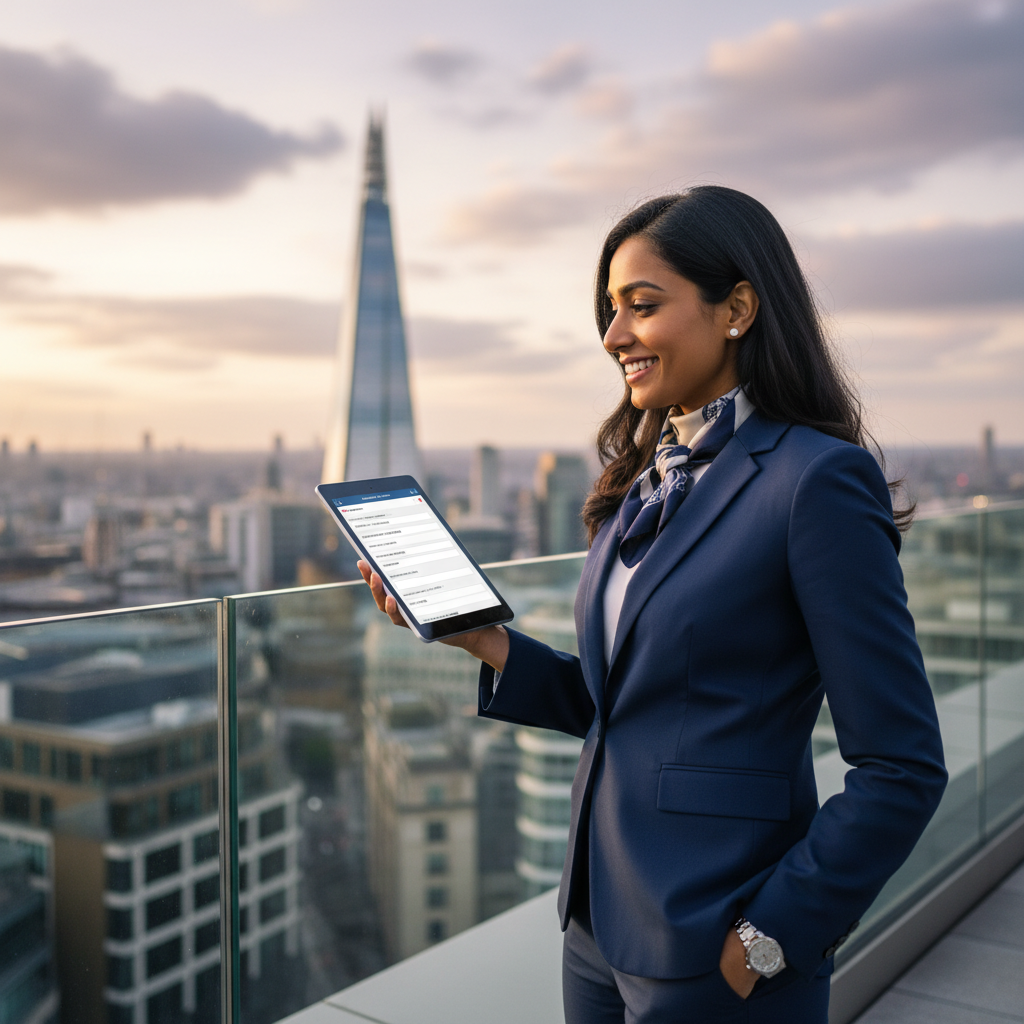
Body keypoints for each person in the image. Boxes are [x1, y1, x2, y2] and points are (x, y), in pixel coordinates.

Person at [359, 186, 947, 1023]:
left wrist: (770, 937)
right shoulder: (648, 480)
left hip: (719, 940)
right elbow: (627, 708)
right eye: (609, 310)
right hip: (596, 927)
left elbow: (903, 765)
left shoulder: (814, 482)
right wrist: (487, 641)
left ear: (737, 307)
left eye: (642, 305)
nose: (612, 336)